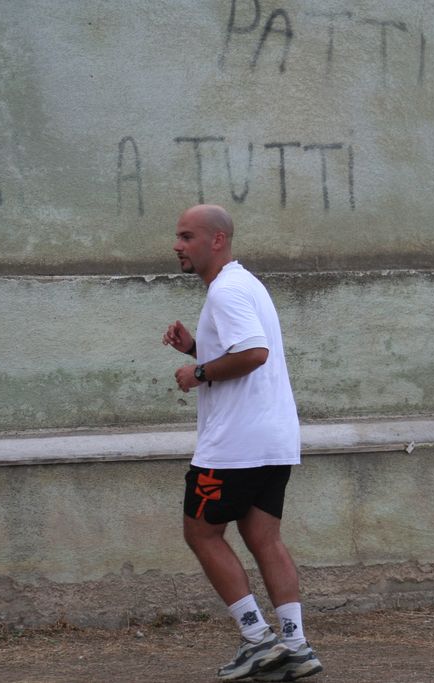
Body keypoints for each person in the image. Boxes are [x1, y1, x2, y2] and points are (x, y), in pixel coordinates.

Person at [163, 204, 323, 681]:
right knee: (263, 538)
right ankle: (295, 646)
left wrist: (197, 372)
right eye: (178, 237)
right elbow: (243, 348)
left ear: (217, 240)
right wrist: (197, 347)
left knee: (201, 533)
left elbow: (254, 353)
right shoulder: (245, 283)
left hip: (235, 444)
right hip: (273, 439)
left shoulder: (226, 290)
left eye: (187, 236)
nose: (177, 246)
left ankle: (257, 639)